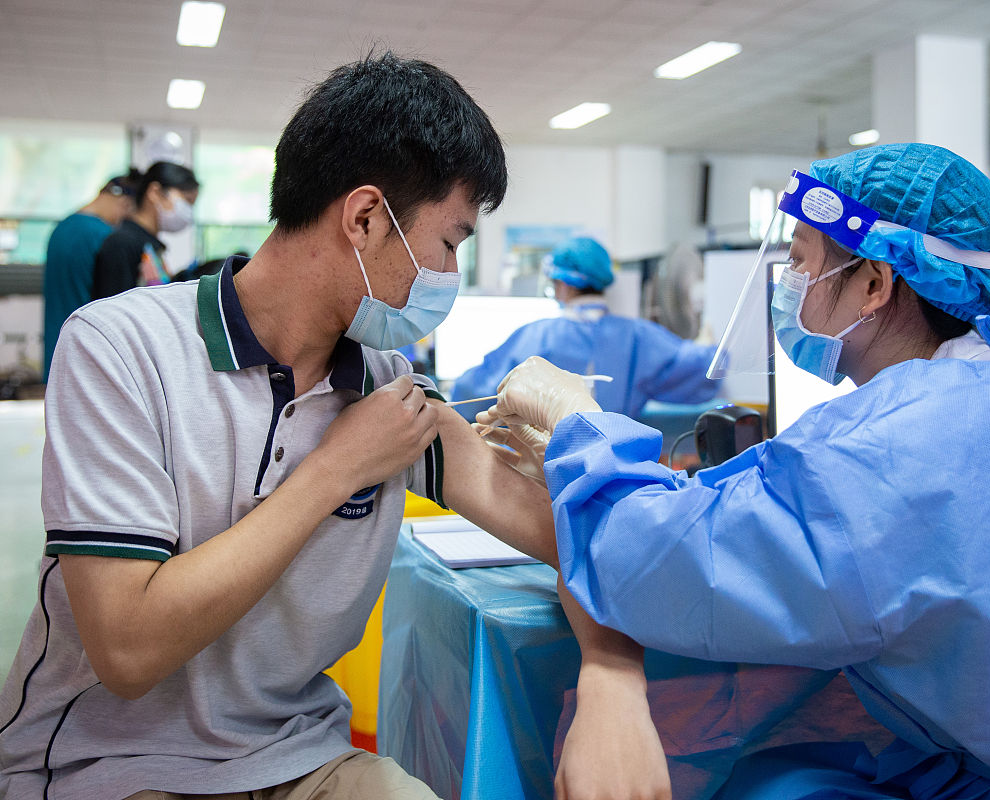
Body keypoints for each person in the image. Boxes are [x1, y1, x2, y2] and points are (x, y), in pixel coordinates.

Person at [0, 53, 663, 800]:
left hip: (297, 757)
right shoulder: (121, 348)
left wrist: (612, 677)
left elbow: (586, 540)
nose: (449, 275)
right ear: (366, 217)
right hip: (107, 765)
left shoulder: (389, 390)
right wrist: (335, 470)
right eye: (450, 244)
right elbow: (127, 651)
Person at [483, 143, 990, 798]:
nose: (790, 283)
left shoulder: (898, 444)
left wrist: (579, 425)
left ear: (875, 284)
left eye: (801, 261)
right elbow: (776, 513)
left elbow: (671, 569)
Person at [449, 236, 720, 419]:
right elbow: (701, 368)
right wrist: (708, 343)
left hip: (540, 472)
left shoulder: (538, 336)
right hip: (611, 469)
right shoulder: (637, 336)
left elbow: (473, 393)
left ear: (563, 285)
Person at [41, 171, 138, 380]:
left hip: (56, 349)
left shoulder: (62, 227)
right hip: (86, 352)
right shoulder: (105, 237)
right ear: (124, 203)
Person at [91, 160, 200, 301]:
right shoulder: (122, 243)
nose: (188, 211)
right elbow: (113, 305)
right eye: (187, 200)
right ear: (155, 192)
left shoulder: (149, 245)